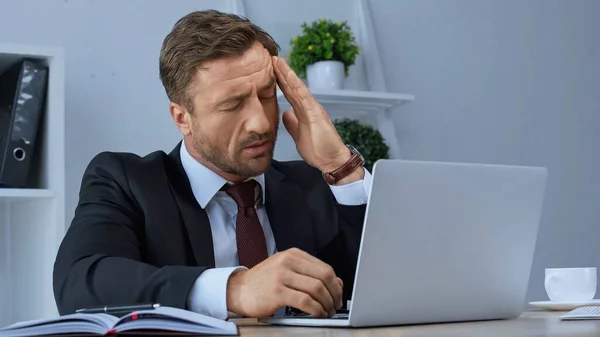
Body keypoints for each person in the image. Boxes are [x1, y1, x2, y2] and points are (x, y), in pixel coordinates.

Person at [53, 9, 372, 320]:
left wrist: (340, 165)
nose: (260, 123)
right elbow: (79, 283)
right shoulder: (126, 182)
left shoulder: (314, 184)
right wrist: (236, 289)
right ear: (182, 118)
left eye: (265, 95)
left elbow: (383, 285)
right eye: (232, 105)